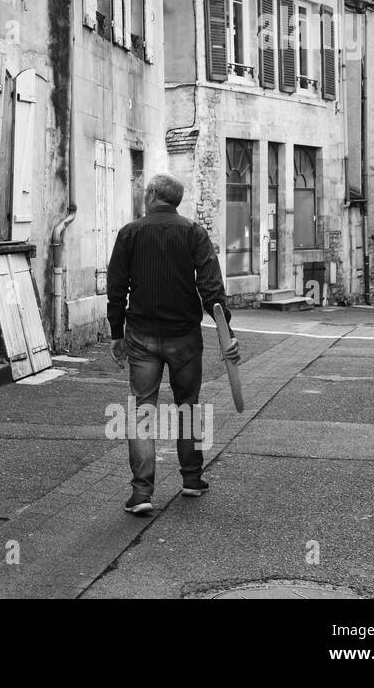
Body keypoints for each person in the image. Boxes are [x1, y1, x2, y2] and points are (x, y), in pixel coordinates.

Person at [106, 173, 239, 516]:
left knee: (141, 410)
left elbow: (117, 287)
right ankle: (192, 479)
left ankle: (141, 493)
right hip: (184, 337)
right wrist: (228, 333)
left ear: (151, 195)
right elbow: (212, 289)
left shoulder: (130, 233)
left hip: (141, 335)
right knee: (188, 406)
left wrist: (116, 333)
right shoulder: (193, 232)